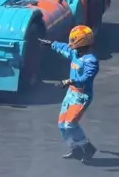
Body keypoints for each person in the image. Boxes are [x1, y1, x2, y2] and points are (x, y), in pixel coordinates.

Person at [39, 25, 99, 162]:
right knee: (62, 124)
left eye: (73, 40)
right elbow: (64, 48)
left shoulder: (91, 61)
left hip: (81, 96)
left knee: (70, 124)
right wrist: (51, 44)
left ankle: (87, 147)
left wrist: (70, 81)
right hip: (71, 93)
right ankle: (75, 148)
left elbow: (86, 79)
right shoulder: (75, 53)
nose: (71, 43)